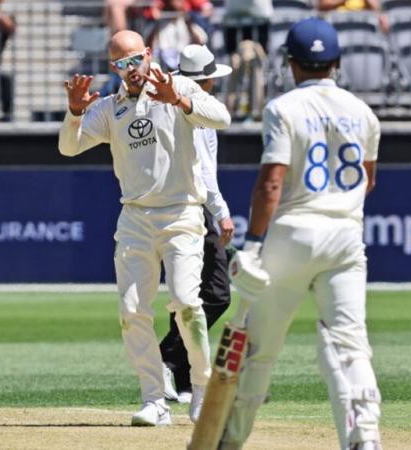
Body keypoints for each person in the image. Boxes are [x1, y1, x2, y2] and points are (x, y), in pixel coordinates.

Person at [219, 18, 382, 450]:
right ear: (337, 63)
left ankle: (230, 439)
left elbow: (272, 181)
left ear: (291, 63)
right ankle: (365, 438)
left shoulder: (282, 108)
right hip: (346, 237)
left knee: (261, 347)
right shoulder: (363, 113)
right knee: (350, 345)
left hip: (292, 233)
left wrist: (252, 245)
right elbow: (368, 180)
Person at [58, 30, 231, 426]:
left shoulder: (179, 84)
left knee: (188, 303)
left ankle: (202, 388)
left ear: (148, 54)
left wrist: (180, 101)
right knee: (132, 311)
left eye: (135, 59)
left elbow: (222, 117)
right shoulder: (108, 106)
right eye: (121, 64)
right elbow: (69, 147)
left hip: (183, 213)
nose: (130, 70)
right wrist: (74, 112)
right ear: (112, 67)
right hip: (135, 217)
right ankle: (154, 399)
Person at [158, 44, 234, 404]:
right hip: (195, 206)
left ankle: (180, 368)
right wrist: (220, 212)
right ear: (205, 81)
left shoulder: (187, 105)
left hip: (190, 204)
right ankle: (168, 359)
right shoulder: (194, 111)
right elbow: (204, 170)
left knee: (201, 293)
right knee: (214, 293)